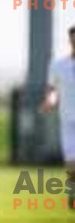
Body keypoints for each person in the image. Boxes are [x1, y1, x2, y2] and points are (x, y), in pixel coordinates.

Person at [40, 25, 75, 209]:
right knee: (71, 163)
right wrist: (50, 102)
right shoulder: (58, 65)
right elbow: (52, 91)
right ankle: (72, 193)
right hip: (68, 121)